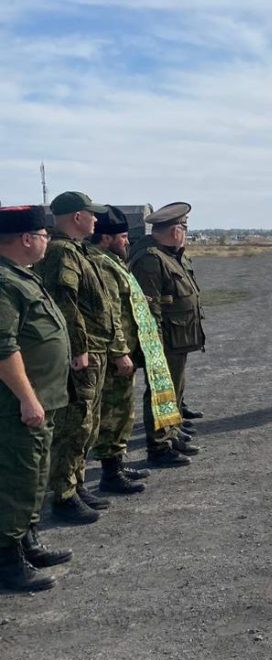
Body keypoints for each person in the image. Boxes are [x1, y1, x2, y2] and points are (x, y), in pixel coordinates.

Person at [34, 191, 126, 523]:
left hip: (96, 350)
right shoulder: (61, 252)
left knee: (88, 422)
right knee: (75, 424)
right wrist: (79, 348)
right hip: (83, 355)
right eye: (91, 214)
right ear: (76, 217)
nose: (95, 220)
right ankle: (63, 495)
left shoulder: (76, 250)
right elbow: (65, 303)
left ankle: (76, 483)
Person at [0, 206, 74, 592]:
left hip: (40, 399)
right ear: (27, 238)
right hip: (16, 405)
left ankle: (26, 542)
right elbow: (2, 347)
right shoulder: (3, 281)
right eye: (44, 234)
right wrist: (28, 398)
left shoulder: (20, 277)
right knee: (17, 478)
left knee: (33, 476)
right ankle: (6, 562)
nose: (48, 240)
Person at [129, 202, 205, 463]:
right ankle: (159, 446)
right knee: (161, 391)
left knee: (174, 390)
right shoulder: (150, 259)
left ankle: (171, 433)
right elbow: (149, 308)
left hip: (177, 338)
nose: (185, 233)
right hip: (165, 340)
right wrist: (155, 348)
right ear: (175, 231)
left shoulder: (168, 254)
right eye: (184, 228)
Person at [88, 207, 149, 493]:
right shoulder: (102, 265)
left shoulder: (112, 261)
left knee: (124, 412)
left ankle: (117, 464)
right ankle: (110, 474)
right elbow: (109, 313)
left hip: (124, 349)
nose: (127, 242)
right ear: (106, 238)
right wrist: (119, 352)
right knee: (113, 414)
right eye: (122, 237)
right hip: (115, 353)